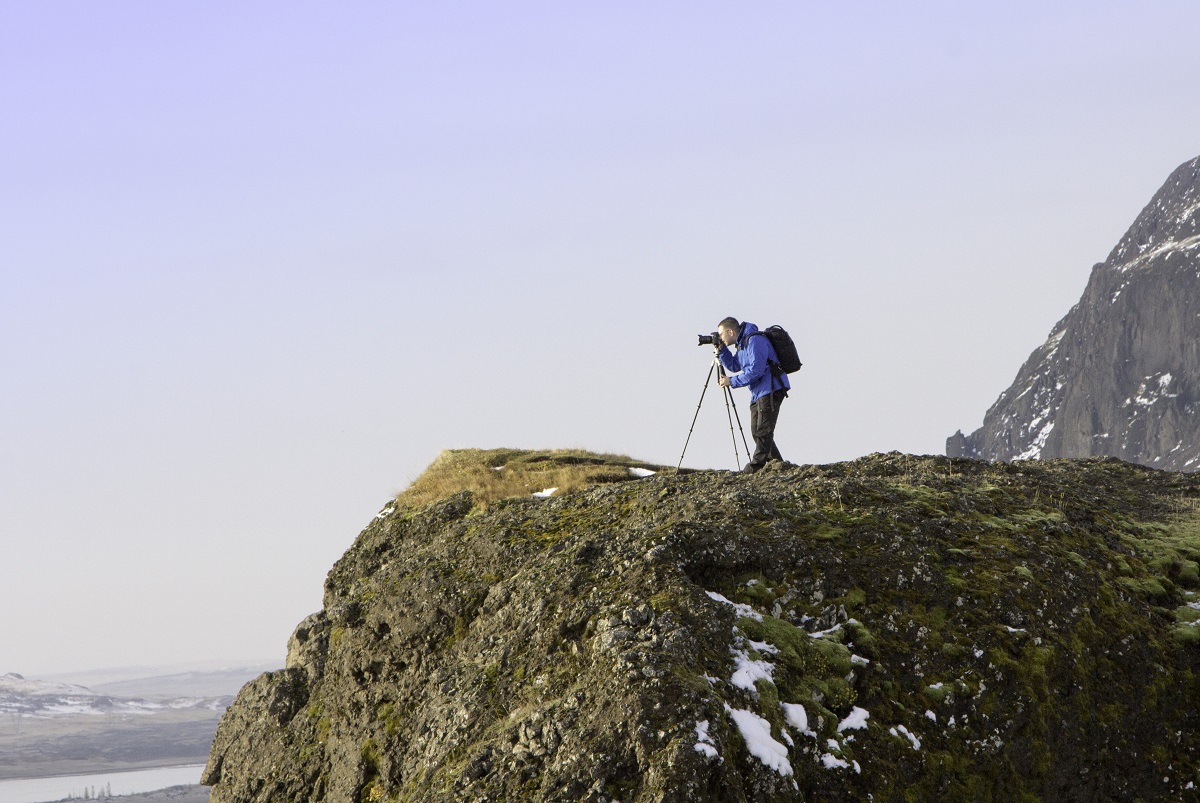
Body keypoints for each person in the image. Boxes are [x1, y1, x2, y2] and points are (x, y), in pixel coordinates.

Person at [715, 316, 790, 472]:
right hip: (759, 391)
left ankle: (756, 466)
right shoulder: (742, 344)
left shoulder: (754, 340)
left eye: (721, 335)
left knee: (763, 430)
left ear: (730, 331)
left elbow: (756, 371)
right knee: (756, 431)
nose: (720, 338)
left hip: (771, 388)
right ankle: (777, 464)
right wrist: (722, 351)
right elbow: (736, 365)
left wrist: (732, 381)